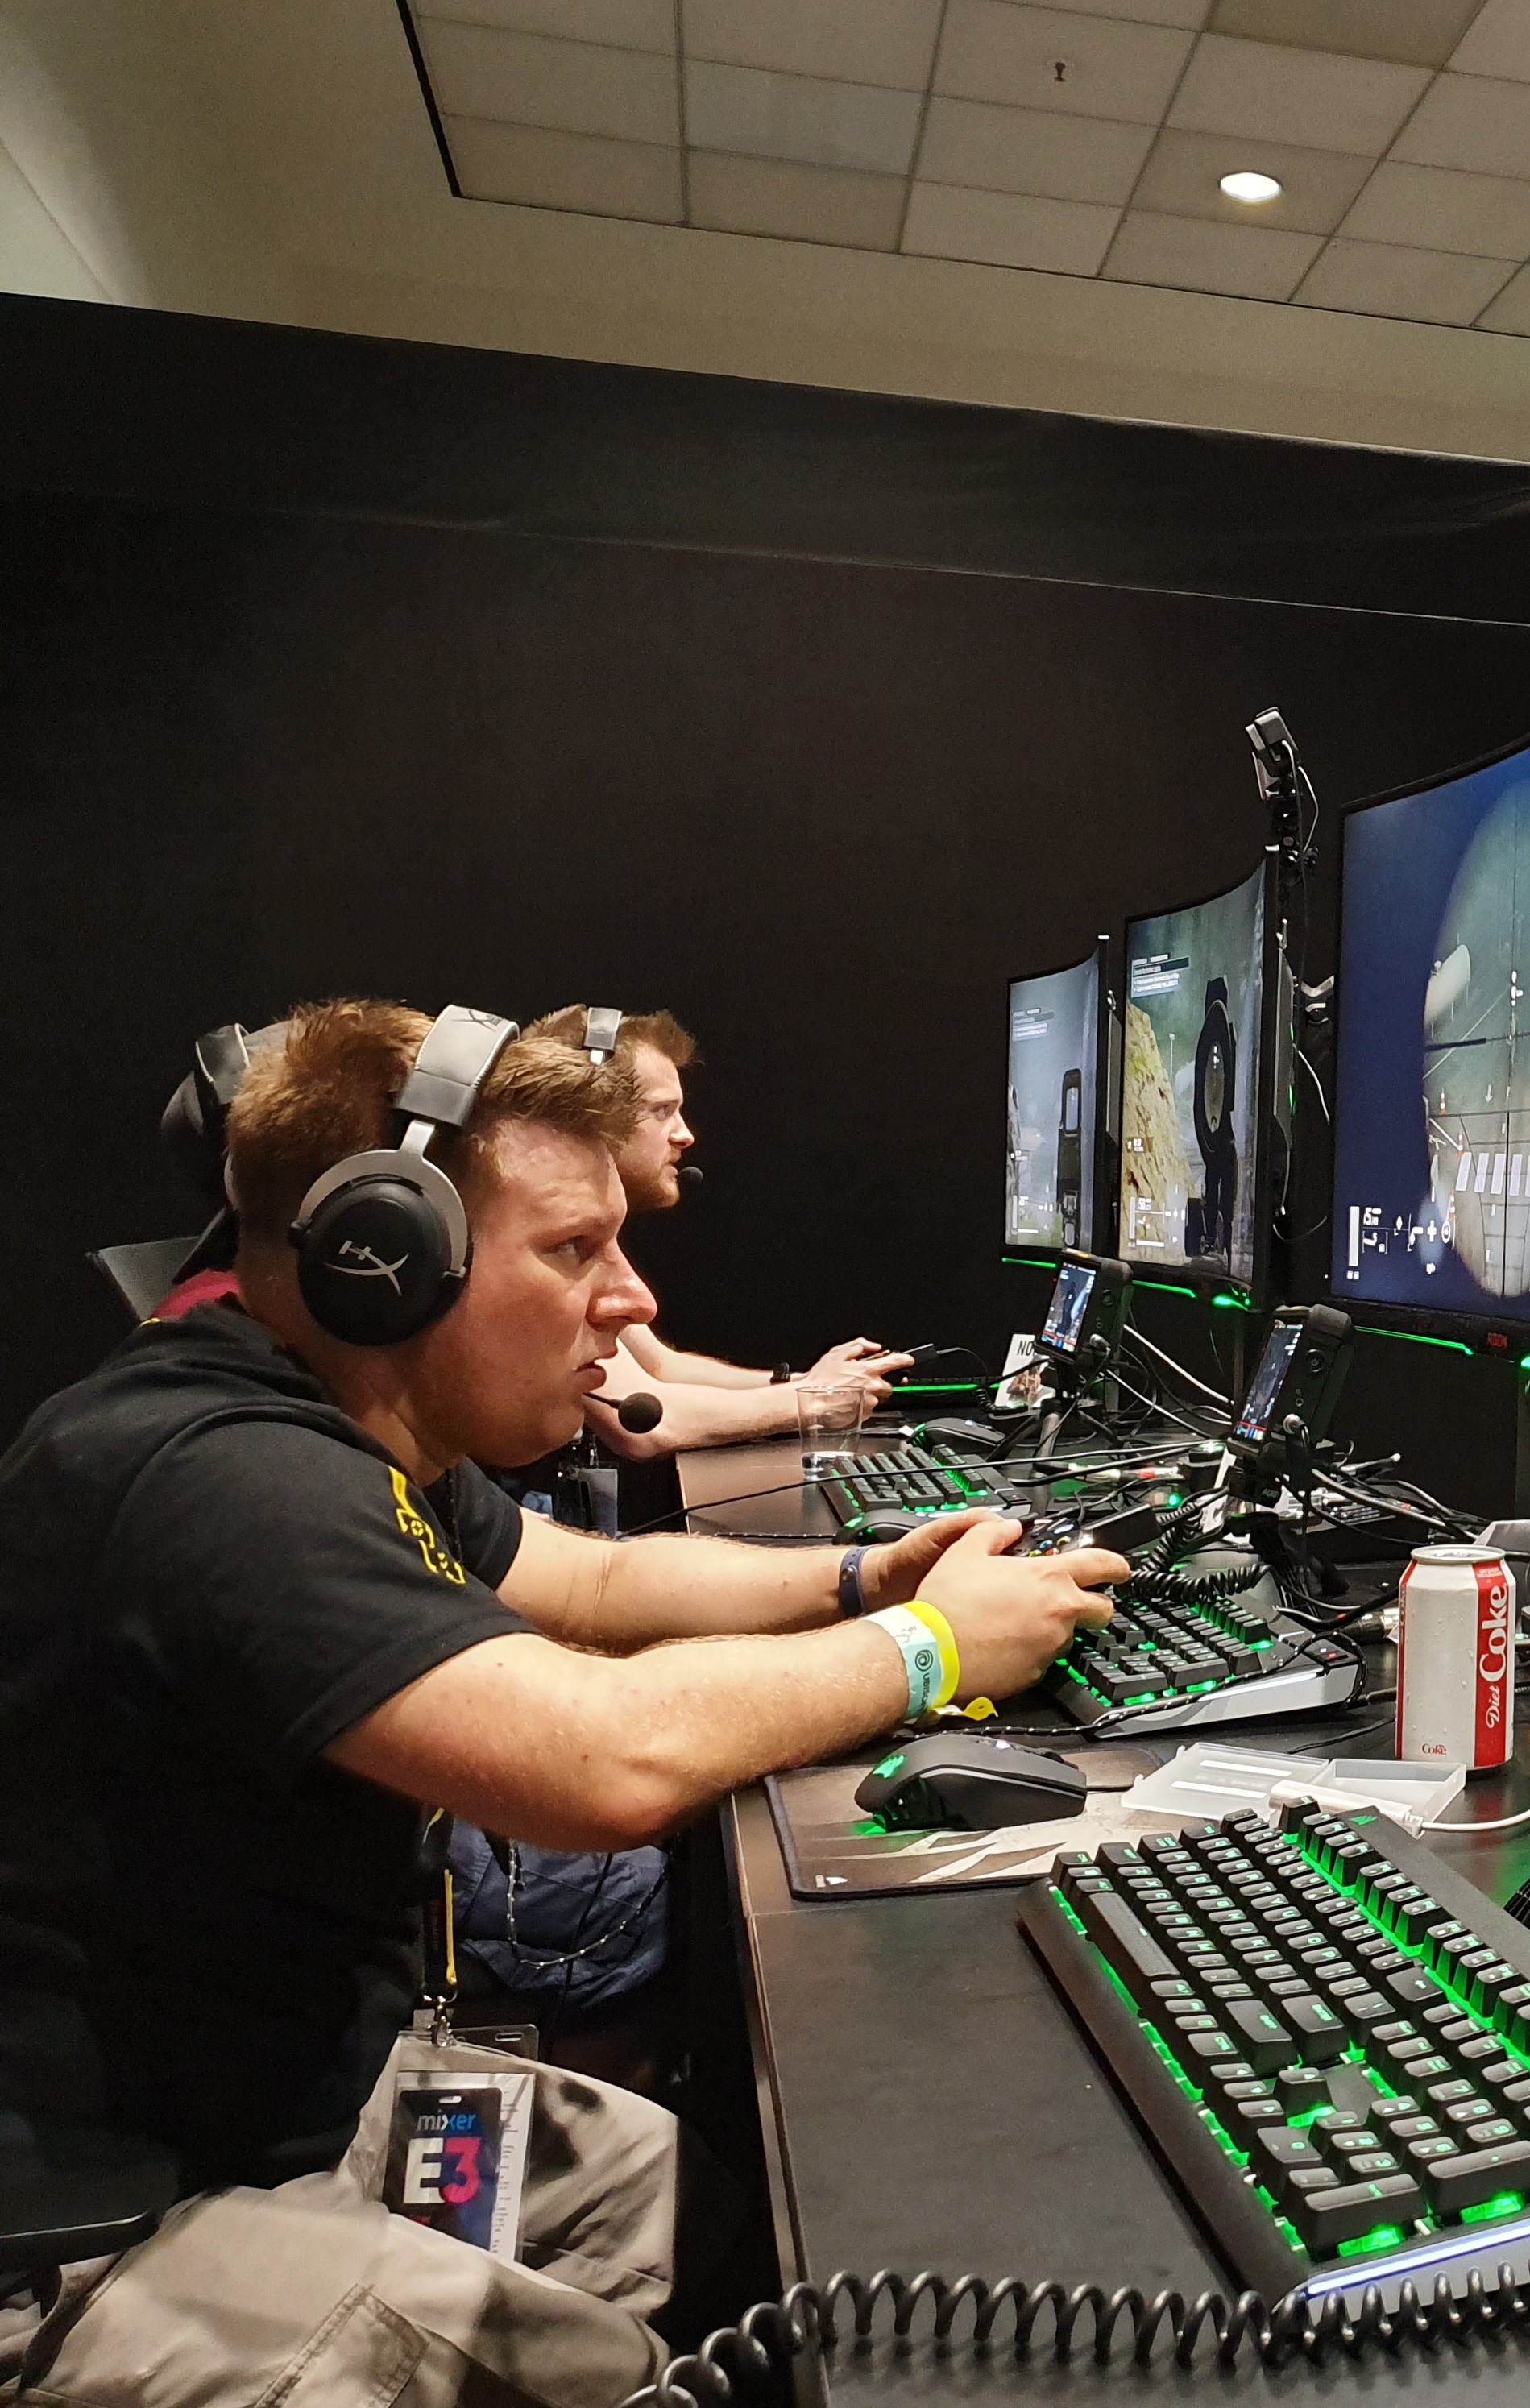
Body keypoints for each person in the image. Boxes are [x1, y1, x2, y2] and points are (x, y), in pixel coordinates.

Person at [0, 1000, 1122, 2401]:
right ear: (384, 1259)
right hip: (101, 2225)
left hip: (288, 2097)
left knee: (713, 2214)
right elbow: (599, 1763)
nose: (633, 1298)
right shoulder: (223, 1474)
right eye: (573, 1249)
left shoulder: (349, 1423)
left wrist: (860, 1577)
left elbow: (594, 1581)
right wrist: (931, 1647)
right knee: (615, 2372)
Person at [520, 1005, 907, 1456]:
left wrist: (809, 1383)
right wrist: (814, 1402)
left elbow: (662, 1367)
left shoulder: (588, 1244)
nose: (685, 1135)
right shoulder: (553, 1244)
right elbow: (648, 1420)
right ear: (591, 1118)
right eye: (662, 1111)